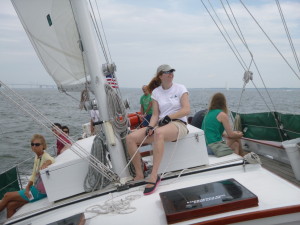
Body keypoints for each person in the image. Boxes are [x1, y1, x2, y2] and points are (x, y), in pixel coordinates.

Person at [126, 64, 190, 195]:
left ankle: (154, 176)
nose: (171, 73)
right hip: (160, 124)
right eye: (167, 72)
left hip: (178, 124)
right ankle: (139, 174)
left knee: (159, 133)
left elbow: (186, 109)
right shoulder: (156, 92)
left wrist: (168, 117)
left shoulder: (180, 88)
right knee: (130, 138)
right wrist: (150, 126)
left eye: (172, 71)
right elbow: (155, 114)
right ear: (160, 76)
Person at [0, 134, 55, 218]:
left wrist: (47, 163)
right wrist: (27, 187)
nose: (34, 146)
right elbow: (33, 175)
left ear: (43, 145)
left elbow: (51, 160)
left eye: (37, 144)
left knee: (7, 195)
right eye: (32, 144)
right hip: (34, 189)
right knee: (11, 205)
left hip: (39, 192)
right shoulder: (37, 157)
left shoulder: (45, 157)